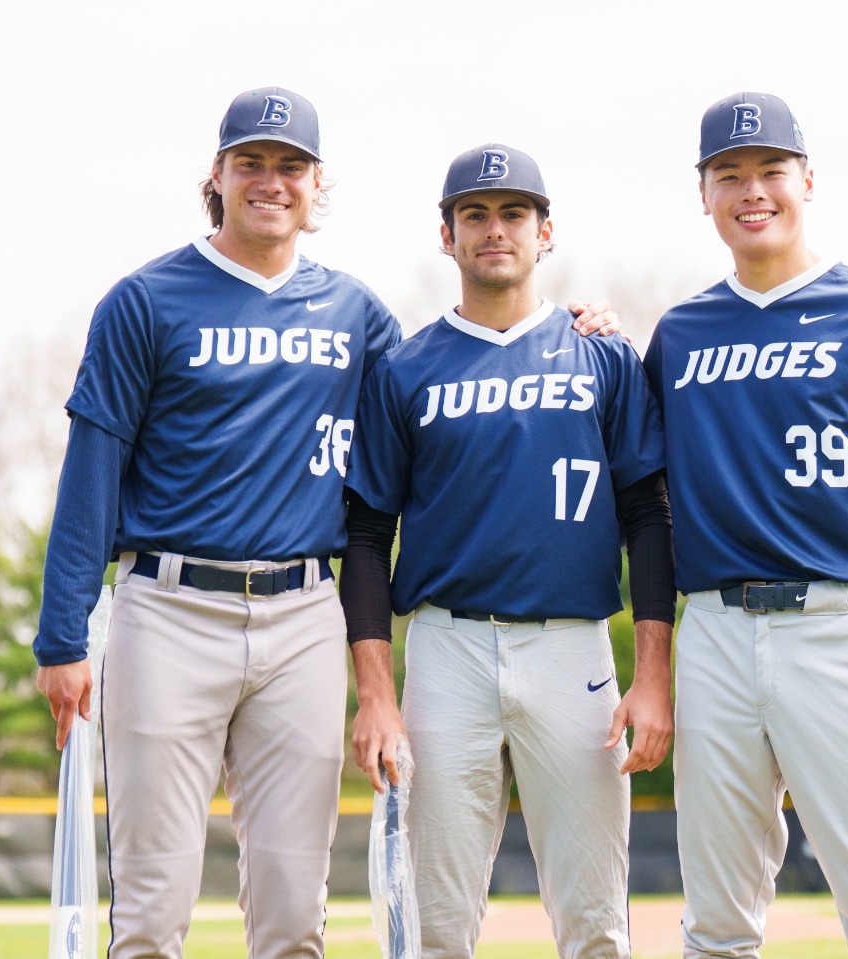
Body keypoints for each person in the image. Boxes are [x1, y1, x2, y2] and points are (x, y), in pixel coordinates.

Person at [29, 89, 618, 958]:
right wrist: (61, 633)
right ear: (217, 176)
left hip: (304, 612)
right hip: (167, 606)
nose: (272, 181)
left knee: (295, 916)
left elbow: (451, 375)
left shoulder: (358, 315)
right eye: (252, 162)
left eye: (291, 166)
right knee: (150, 914)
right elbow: (91, 470)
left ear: (316, 185)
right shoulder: (145, 300)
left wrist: (571, 331)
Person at [641, 92, 848, 959]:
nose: (751, 191)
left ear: (806, 181)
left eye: (769, 172)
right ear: (703, 193)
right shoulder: (678, 335)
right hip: (714, 633)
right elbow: (640, 495)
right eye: (729, 175)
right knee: (715, 926)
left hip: (845, 629)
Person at [341, 143, 676, 959]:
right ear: (447, 235)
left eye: (514, 213)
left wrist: (653, 674)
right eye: (475, 214)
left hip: (573, 648)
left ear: (545, 230)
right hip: (448, 647)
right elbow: (364, 534)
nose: (495, 230)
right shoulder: (405, 367)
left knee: (595, 922)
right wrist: (376, 695)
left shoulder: (599, 351)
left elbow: (647, 512)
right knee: (433, 923)